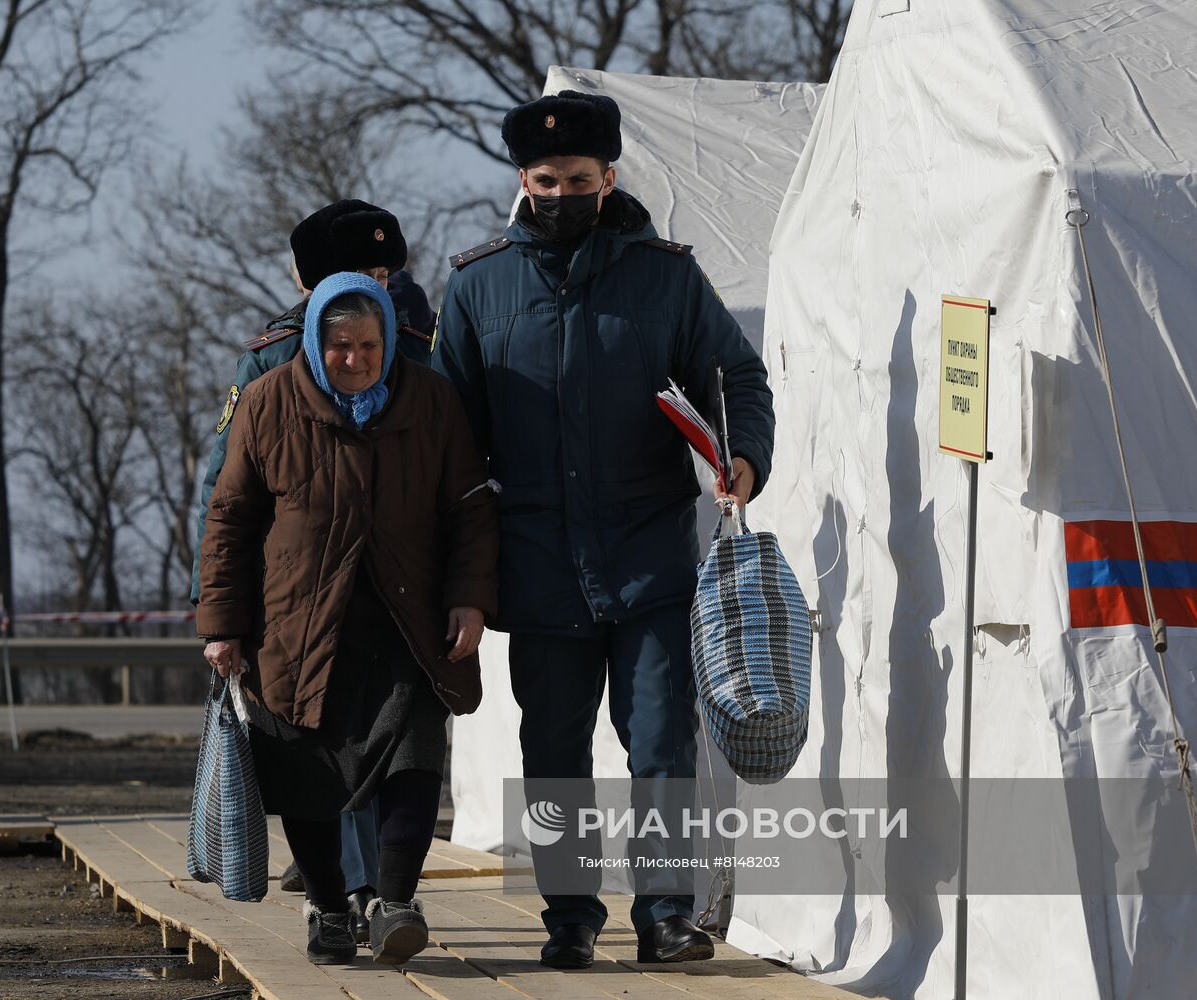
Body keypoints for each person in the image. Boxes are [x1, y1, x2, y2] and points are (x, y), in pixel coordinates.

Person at [432, 90, 775, 968]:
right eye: (545, 181)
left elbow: (736, 377)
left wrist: (741, 454)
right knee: (552, 749)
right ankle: (570, 916)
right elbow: (445, 437)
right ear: (522, 180)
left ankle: (664, 915)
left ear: (609, 178)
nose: (560, 195)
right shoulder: (475, 287)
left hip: (648, 552)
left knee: (659, 740)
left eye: (578, 180)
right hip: (537, 561)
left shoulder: (666, 277)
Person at [197, 272, 497, 967]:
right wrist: (222, 623)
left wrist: (470, 597)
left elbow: (470, 508)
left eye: (368, 345)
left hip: (407, 615)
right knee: (304, 768)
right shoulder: (268, 401)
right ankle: (330, 909)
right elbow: (230, 518)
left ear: (389, 341)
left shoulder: (431, 399)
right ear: (313, 341)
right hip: (297, 622)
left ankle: (394, 903)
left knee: (414, 755)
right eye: (340, 346)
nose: (355, 359)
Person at [190, 199, 436, 942]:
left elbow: (459, 470)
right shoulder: (275, 361)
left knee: (386, 749)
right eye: (357, 272)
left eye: (382, 273)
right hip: (306, 595)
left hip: (387, 590)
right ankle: (345, 895)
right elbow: (228, 495)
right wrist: (223, 609)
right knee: (319, 754)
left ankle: (372, 896)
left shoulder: (419, 350)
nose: (372, 285)